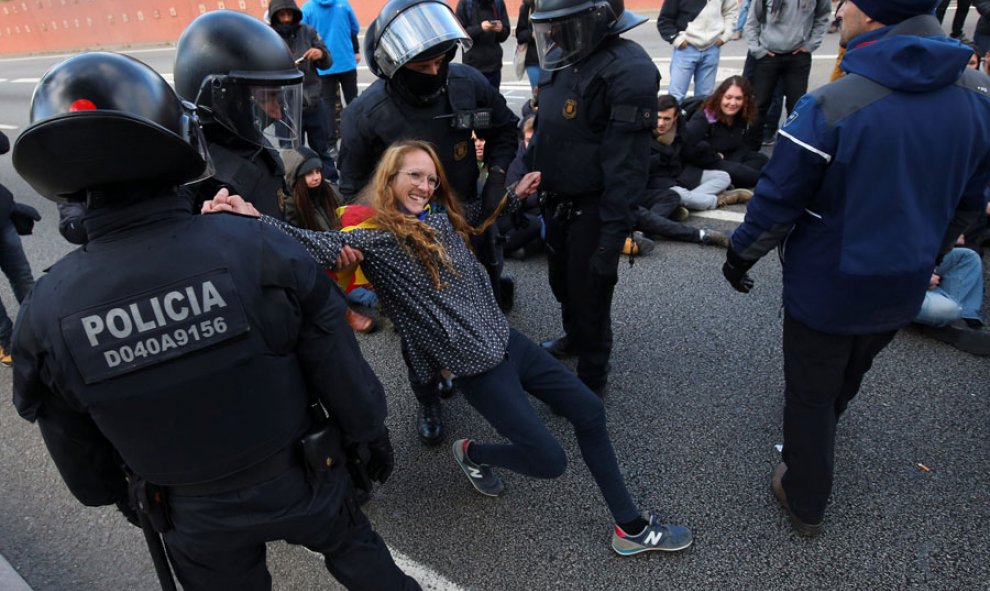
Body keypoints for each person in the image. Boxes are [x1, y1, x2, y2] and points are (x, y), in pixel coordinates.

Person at [10, 51, 417, 590]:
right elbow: (335, 359)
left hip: (189, 515)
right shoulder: (256, 245)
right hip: (304, 476)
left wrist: (140, 499)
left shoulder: (44, 311)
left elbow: (85, 474)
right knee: (365, 563)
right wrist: (368, 439)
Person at [205, 139, 694, 556]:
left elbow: (475, 219)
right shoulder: (372, 239)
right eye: (414, 176)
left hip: (511, 344)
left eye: (432, 179)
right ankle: (472, 451)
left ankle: (629, 528)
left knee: (589, 412)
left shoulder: (437, 218)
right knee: (550, 461)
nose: (425, 186)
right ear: (390, 179)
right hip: (478, 370)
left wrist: (516, 200)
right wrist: (251, 218)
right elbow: (308, 244)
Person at [722, 0, 990, 536]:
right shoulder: (978, 99)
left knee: (809, 391)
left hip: (829, 282)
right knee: (851, 370)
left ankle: (804, 497)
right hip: (905, 279)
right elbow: (970, 199)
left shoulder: (832, 103)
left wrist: (740, 254)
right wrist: (928, 251)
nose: (839, 9)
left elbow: (777, 201)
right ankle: (818, 437)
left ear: (871, 14)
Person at [340, 0, 520, 444]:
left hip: (468, 221)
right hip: (407, 239)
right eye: (424, 63)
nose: (436, 70)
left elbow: (504, 128)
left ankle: (491, 379)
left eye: (441, 59)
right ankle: (428, 398)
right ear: (395, 65)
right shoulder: (365, 115)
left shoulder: (467, 81)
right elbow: (351, 193)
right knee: (421, 328)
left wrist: (497, 176)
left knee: (483, 300)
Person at [527, 0, 661, 394]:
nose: (551, 34)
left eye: (560, 26)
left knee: (592, 293)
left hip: (594, 207)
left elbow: (628, 168)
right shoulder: (564, 54)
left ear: (593, 20)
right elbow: (548, 124)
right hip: (557, 199)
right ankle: (574, 337)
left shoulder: (629, 71)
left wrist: (611, 238)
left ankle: (592, 375)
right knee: (562, 284)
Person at [174, 10, 304, 219]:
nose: (278, 113)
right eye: (266, 98)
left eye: (279, 98)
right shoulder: (196, 186)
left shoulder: (249, 144)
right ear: (218, 97)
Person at [283, 146, 380, 333]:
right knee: (360, 295)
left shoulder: (329, 191)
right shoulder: (292, 206)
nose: (316, 177)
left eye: (318, 171)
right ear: (297, 178)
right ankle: (346, 307)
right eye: (309, 173)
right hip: (322, 262)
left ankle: (372, 290)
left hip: (345, 250)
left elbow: (345, 214)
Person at [268, 0, 339, 183]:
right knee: (292, 153)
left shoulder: (307, 32)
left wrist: (320, 54)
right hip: (285, 108)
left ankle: (330, 184)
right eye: (281, 15)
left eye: (288, 14)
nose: (285, 19)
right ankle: (293, 188)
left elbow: (328, 61)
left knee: (322, 149)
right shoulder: (269, 36)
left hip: (313, 101)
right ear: (274, 15)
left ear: (294, 14)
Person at [744, 0, 831, 148]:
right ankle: (751, 149)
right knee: (759, 105)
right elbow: (752, 21)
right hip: (767, 54)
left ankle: (791, 149)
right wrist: (757, 50)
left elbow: (822, 17)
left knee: (797, 107)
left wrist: (810, 45)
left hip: (798, 56)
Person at [683, 75, 770, 189]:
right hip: (707, 161)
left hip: (730, 156)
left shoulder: (741, 115)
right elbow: (688, 144)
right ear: (720, 97)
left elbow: (742, 145)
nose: (733, 103)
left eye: (738, 98)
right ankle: (767, 180)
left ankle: (734, 182)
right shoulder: (706, 114)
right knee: (743, 173)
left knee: (762, 160)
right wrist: (712, 155)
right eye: (728, 97)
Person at [301, 0, 362, 154]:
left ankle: (331, 145)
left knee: (327, 106)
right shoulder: (343, 4)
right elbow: (354, 28)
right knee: (353, 100)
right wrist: (355, 50)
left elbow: (301, 35)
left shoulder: (307, 9)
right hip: (346, 60)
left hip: (323, 66)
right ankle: (359, 136)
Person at [0, 131, 36, 366]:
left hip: (1, 222)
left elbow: (3, 144)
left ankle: (37, 330)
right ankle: (7, 341)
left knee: (22, 276)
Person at [913, 246, 990, 356]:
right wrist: (920, 277)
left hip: (912, 264)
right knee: (949, 309)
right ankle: (949, 320)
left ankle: (958, 318)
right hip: (893, 284)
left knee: (968, 256)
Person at [657, 0, 739, 102]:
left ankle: (699, 118)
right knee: (676, 96)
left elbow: (731, 11)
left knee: (705, 98)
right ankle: (673, 117)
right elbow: (665, 20)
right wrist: (678, 40)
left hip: (712, 48)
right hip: (686, 49)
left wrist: (725, 36)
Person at [455, 0, 512, 89]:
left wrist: (500, 30)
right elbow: (459, 36)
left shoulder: (498, 3)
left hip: (494, 66)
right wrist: (480, 28)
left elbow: (504, 34)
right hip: (472, 67)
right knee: (474, 101)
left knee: (494, 101)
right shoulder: (465, 4)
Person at [515, 0, 543, 90]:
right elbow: (519, 35)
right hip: (533, 61)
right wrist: (531, 34)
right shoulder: (526, 8)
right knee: (537, 96)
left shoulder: (552, 4)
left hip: (553, 60)